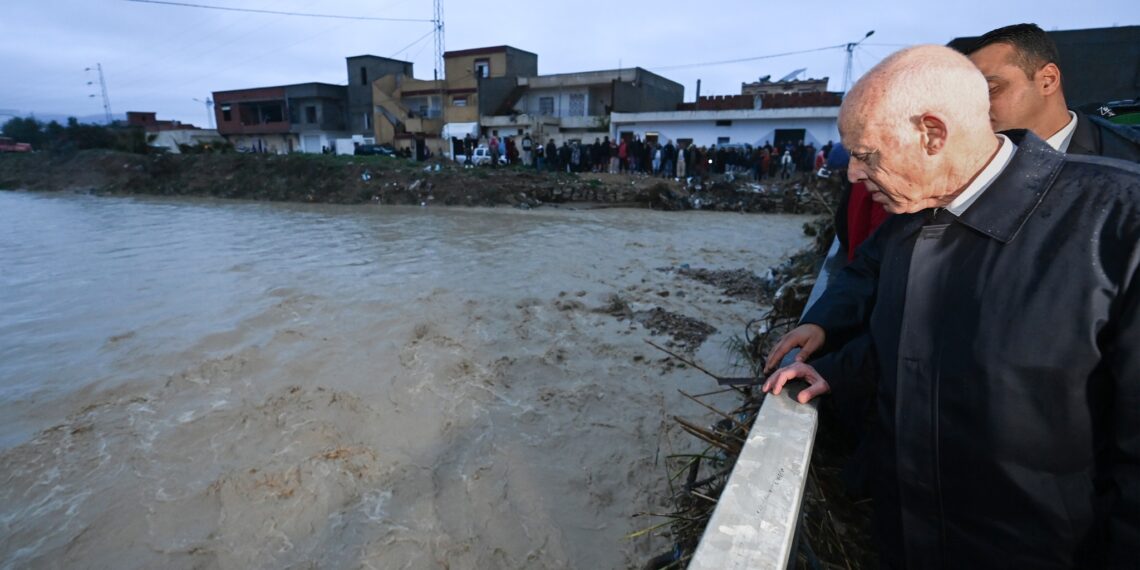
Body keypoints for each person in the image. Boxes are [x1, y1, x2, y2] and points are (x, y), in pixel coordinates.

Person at [762, 44, 1140, 568]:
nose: (852, 176)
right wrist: (840, 373)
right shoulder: (908, 218)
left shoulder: (1119, 225)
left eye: (867, 155)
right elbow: (912, 342)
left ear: (933, 134)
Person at [767, 22, 1140, 371]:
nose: (978, 106)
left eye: (992, 89)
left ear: (1047, 79)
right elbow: (882, 280)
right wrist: (828, 337)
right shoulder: (943, 179)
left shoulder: (1124, 186)